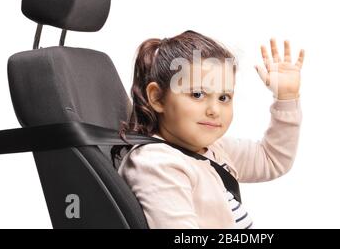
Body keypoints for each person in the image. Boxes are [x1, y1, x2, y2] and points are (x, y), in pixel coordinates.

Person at [112, 30, 305, 228]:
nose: (214, 110)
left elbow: (271, 160)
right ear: (157, 98)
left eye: (224, 98)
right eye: (197, 94)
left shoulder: (214, 149)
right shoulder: (156, 164)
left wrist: (287, 98)